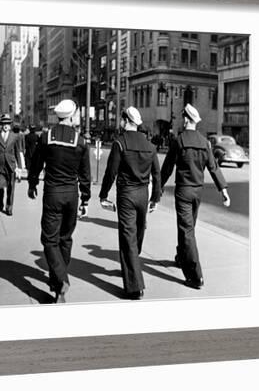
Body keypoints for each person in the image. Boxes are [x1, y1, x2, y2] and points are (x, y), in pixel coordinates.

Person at [160, 104, 231, 289]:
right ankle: (180, 257)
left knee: (186, 231)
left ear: (185, 119)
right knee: (188, 228)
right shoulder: (204, 142)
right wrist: (223, 190)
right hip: (198, 192)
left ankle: (195, 275)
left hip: (183, 191)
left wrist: (157, 188)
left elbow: (167, 167)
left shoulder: (179, 140)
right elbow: (213, 167)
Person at [28, 99, 91, 303]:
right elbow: (85, 174)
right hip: (72, 195)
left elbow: (36, 164)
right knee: (65, 238)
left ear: (57, 116)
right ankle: (58, 285)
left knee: (49, 239)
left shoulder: (46, 138)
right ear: (72, 116)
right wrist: (85, 200)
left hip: (52, 193)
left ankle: (61, 280)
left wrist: (32, 184)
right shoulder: (80, 141)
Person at [98, 107, 161, 300]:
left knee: (128, 237)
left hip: (126, 195)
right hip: (143, 194)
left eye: (121, 119)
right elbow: (156, 174)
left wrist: (103, 194)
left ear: (126, 120)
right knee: (138, 234)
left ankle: (134, 286)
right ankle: (131, 267)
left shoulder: (120, 142)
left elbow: (111, 172)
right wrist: (155, 198)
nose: (120, 122)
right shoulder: (150, 145)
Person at [0, 114, 23, 216]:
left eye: (8, 124)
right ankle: (0, 200)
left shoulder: (15, 136)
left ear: (10, 125)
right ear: (1, 124)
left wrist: (19, 167)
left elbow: (18, 152)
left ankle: (9, 207)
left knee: (11, 188)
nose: (6, 125)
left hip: (11, 165)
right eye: (4, 124)